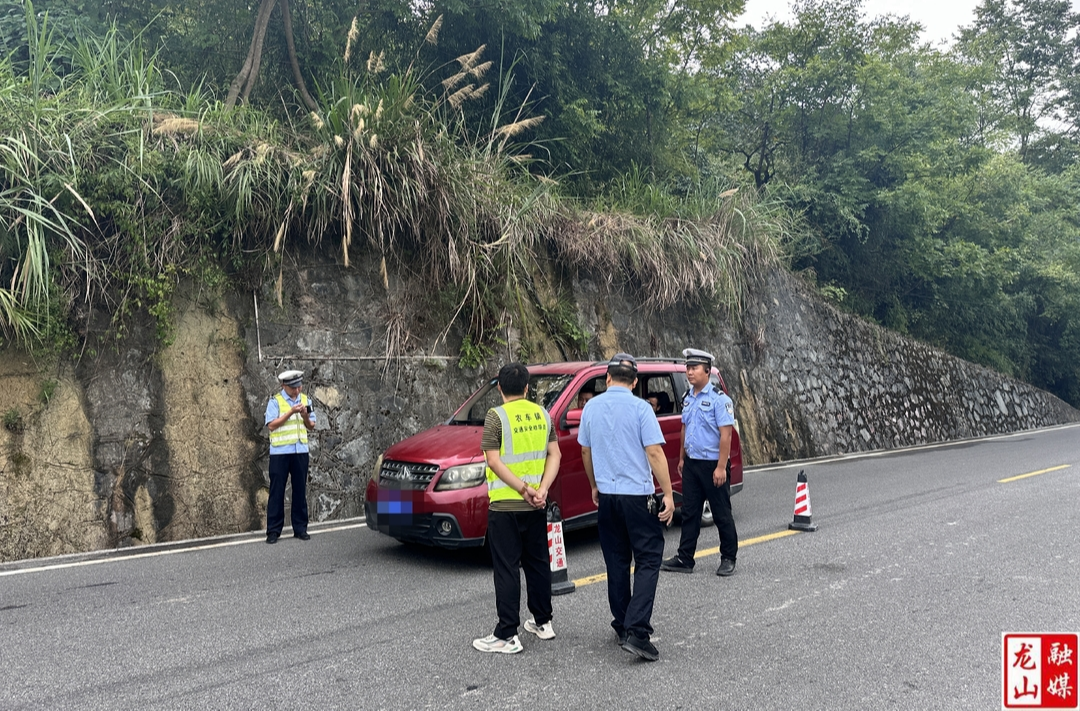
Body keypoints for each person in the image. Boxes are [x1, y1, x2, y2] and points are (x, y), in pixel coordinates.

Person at [578, 353, 674, 661]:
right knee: (647, 559)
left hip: (607, 497)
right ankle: (638, 632)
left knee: (616, 561)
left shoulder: (590, 407)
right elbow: (655, 454)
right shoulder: (641, 408)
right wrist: (669, 495)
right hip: (637, 497)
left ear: (607, 379)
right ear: (634, 382)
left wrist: (594, 485)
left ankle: (622, 624)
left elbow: (585, 451)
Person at [473, 362, 562, 654]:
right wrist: (542, 490)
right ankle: (543, 621)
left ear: (499, 387)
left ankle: (507, 634)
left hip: (505, 504)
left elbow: (494, 461)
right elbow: (555, 454)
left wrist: (522, 489)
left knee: (507, 567)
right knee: (538, 563)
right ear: (527, 388)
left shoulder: (495, 417)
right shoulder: (542, 414)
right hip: (536, 503)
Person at [661, 348, 739, 576]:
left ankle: (728, 557)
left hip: (713, 464)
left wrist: (721, 467)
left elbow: (726, 435)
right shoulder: (688, 398)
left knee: (721, 513)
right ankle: (685, 558)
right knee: (690, 513)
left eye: (694, 368)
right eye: (688, 368)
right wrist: (682, 458)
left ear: (707, 371)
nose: (689, 372)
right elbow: (685, 428)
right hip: (692, 465)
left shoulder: (719, 400)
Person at [264, 369, 316, 544]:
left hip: (300, 451)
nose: (297, 391)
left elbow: (311, 426)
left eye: (299, 386)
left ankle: (300, 528)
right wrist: (290, 413)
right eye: (293, 387)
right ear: (283, 385)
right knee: (277, 491)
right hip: (280, 452)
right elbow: (271, 425)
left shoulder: (306, 400)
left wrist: (305, 416)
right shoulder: (275, 402)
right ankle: (273, 531)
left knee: (300, 490)